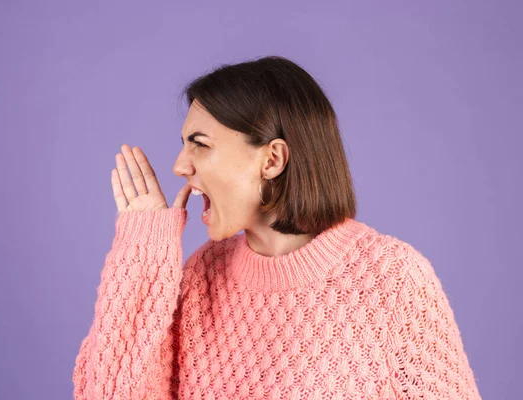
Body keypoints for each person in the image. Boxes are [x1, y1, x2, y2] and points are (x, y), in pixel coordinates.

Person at [72, 56, 481, 399]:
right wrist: (143, 252)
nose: (180, 165)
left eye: (200, 142)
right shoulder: (201, 277)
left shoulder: (391, 280)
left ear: (272, 160)